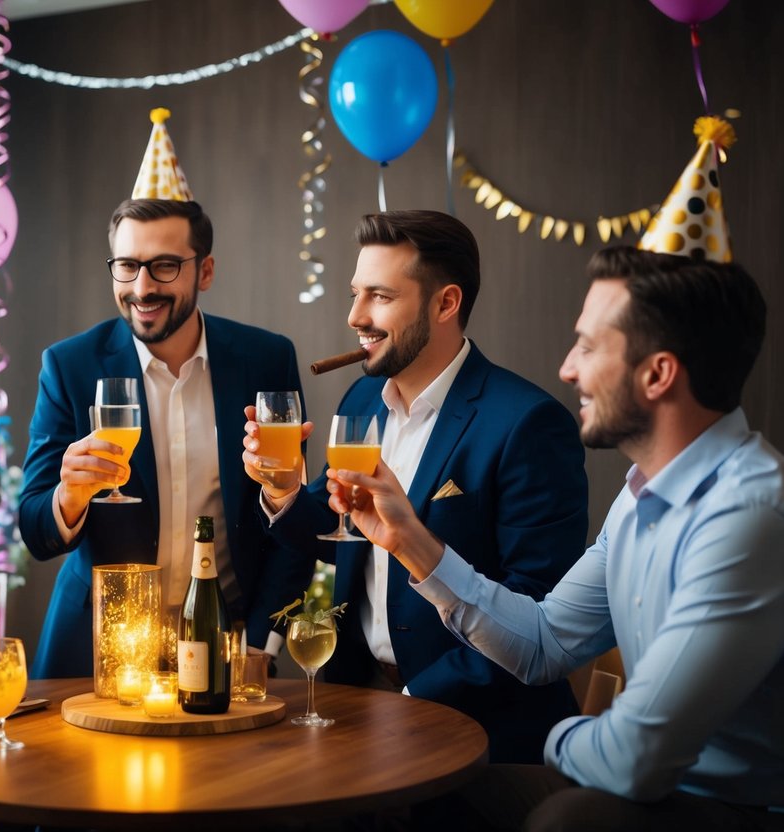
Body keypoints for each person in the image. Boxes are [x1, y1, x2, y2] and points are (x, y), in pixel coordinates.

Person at [334, 247, 783, 830]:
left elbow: (632, 761)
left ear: (658, 373)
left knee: (569, 819)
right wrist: (412, 542)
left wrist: (561, 733)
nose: (568, 368)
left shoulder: (747, 516)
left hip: (731, 807)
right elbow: (544, 644)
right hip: (634, 785)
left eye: (589, 347)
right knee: (386, 794)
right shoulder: (638, 495)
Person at [244, 211, 587, 763]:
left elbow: (534, 612)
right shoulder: (361, 402)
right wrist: (284, 491)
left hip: (478, 732)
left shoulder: (528, 424)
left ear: (445, 304)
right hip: (356, 708)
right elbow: (334, 534)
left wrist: (412, 703)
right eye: (356, 294)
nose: (355, 316)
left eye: (379, 296)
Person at [19, 109, 313, 677]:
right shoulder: (70, 366)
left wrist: (260, 644)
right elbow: (36, 530)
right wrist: (70, 497)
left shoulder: (266, 358)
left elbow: (289, 522)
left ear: (204, 271)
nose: (142, 287)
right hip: (97, 646)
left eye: (164, 267)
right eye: (126, 267)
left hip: (226, 646)